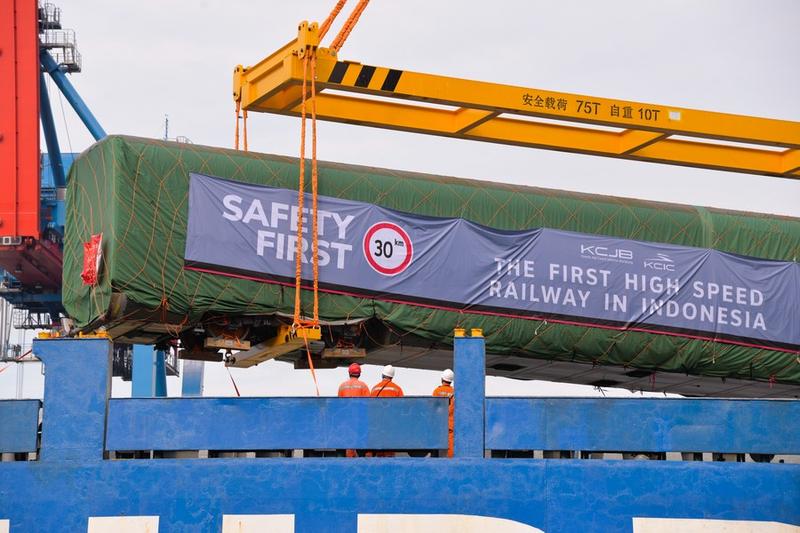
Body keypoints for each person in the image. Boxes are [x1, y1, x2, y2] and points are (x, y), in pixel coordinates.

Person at [371, 365, 403, 457]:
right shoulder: (397, 389)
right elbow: (402, 407)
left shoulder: (374, 388)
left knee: (379, 448)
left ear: (382, 375)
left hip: (377, 423)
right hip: (391, 424)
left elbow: (371, 406)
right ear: (392, 377)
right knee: (389, 449)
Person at [338, 363, 369, 458]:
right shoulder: (363, 386)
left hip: (346, 420)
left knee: (349, 444)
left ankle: (350, 461)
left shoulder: (342, 386)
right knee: (363, 443)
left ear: (349, 373)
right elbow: (368, 404)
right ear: (359, 374)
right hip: (360, 419)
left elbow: (339, 404)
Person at [432, 369, 455, 458]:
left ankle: (435, 459)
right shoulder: (455, 392)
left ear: (442, 379)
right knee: (450, 444)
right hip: (450, 422)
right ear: (451, 380)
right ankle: (451, 460)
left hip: (438, 422)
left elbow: (433, 407)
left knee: (436, 442)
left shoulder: (437, 391)